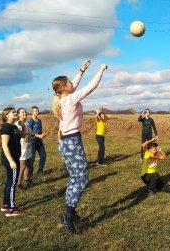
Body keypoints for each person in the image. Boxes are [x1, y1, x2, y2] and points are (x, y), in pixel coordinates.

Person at [52, 60, 107, 234]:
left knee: (75, 177)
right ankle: (68, 216)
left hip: (66, 141)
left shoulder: (62, 98)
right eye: (67, 82)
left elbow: (75, 85)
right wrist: (101, 71)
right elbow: (90, 87)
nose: (71, 83)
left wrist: (82, 70)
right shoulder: (68, 100)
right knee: (81, 178)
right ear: (62, 88)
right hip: (71, 142)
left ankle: (70, 212)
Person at [0, 107, 25, 216]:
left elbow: (23, 135)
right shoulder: (6, 127)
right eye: (13, 112)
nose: (15, 113)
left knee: (10, 181)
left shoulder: (14, 126)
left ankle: (5, 205)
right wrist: (11, 161)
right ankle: (11, 209)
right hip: (10, 159)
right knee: (13, 182)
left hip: (15, 157)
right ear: (6, 116)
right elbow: (4, 145)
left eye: (16, 112)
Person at [15, 108, 34, 189]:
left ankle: (27, 179)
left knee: (29, 164)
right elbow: (15, 137)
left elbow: (31, 133)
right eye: (23, 112)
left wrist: (38, 135)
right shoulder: (17, 124)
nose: (25, 113)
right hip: (22, 148)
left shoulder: (26, 123)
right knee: (22, 166)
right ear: (18, 114)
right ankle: (18, 184)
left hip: (29, 146)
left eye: (25, 112)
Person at [27, 106, 47, 177]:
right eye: (36, 111)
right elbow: (29, 132)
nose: (37, 112)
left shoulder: (39, 121)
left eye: (38, 110)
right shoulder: (30, 121)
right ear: (32, 112)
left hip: (39, 141)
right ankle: (30, 174)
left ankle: (40, 171)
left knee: (43, 156)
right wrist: (38, 136)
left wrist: (42, 134)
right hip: (32, 142)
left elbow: (40, 130)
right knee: (32, 159)